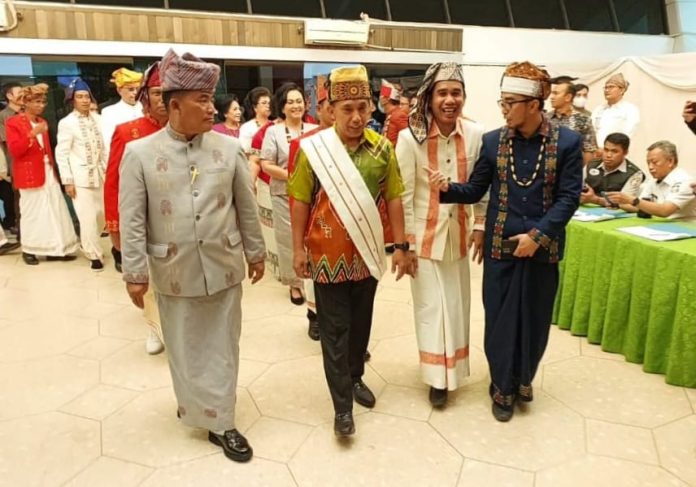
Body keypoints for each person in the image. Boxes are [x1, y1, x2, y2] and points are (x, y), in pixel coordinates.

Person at [119, 48, 265, 463]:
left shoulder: (228, 148)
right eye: (202, 100)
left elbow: (245, 206)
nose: (211, 107)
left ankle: (223, 420)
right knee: (185, 347)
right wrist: (134, 272)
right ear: (174, 105)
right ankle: (196, 407)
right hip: (173, 268)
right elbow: (132, 220)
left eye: (211, 98)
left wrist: (256, 253)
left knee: (222, 345)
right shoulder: (140, 154)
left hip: (224, 263)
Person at [427, 61, 583, 422]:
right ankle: (501, 388)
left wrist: (538, 236)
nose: (503, 109)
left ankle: (522, 380)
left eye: (510, 102)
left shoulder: (567, 143)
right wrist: (447, 188)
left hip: (542, 249)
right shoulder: (494, 140)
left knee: (534, 319)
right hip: (500, 246)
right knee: (499, 320)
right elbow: (476, 189)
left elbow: (568, 198)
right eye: (502, 101)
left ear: (533, 105)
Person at [289, 65, 412, 437]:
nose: (357, 117)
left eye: (363, 107)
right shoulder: (314, 150)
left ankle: (355, 377)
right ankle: (342, 406)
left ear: (371, 106)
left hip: (368, 253)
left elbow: (393, 198)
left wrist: (402, 246)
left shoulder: (383, 148)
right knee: (334, 330)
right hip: (326, 255)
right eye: (347, 109)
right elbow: (298, 201)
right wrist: (297, 250)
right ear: (331, 109)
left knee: (361, 326)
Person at [396, 62, 486, 407]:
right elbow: (402, 193)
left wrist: (479, 225)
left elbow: (483, 187)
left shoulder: (476, 134)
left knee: (458, 304)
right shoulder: (410, 138)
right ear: (429, 98)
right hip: (424, 238)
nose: (450, 100)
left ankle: (454, 371)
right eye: (442, 93)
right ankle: (436, 378)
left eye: (456, 92)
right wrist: (404, 245)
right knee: (432, 308)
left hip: (460, 236)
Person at [103, 62, 168, 355]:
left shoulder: (191, 131)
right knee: (151, 280)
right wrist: (116, 228)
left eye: (169, 92)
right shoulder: (127, 132)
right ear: (145, 98)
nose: (163, 99)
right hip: (144, 221)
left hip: (179, 222)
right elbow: (114, 183)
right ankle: (155, 328)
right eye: (156, 93)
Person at [5, 84, 79, 264]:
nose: (41, 106)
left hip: (48, 172)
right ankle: (29, 249)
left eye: (43, 102)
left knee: (54, 210)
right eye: (37, 102)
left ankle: (55, 248)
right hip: (28, 174)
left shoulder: (42, 122)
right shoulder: (13, 122)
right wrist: (31, 134)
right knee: (32, 213)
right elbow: (15, 151)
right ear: (26, 102)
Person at [261, 83, 317, 306]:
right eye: (290, 102)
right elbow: (266, 164)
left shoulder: (314, 130)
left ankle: (312, 279)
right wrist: (292, 176)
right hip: (283, 193)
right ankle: (294, 284)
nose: (296, 106)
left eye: (299, 101)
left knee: (310, 238)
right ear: (282, 107)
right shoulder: (273, 132)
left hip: (310, 195)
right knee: (287, 239)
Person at [287, 74, 333, 341]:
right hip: (317, 221)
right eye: (331, 108)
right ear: (321, 109)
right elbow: (298, 195)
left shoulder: (362, 143)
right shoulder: (303, 144)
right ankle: (314, 317)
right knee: (315, 275)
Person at [55, 77, 107, 271]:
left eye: (87, 96)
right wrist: (67, 181)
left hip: (102, 175)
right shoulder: (66, 123)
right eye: (80, 97)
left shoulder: (100, 120)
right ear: (73, 100)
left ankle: (88, 244)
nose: (84, 100)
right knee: (87, 218)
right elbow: (62, 153)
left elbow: (106, 147)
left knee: (102, 216)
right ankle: (94, 255)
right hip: (80, 179)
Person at [607, 140, 696, 219]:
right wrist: (618, 203)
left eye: (654, 162)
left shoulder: (685, 181)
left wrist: (631, 200)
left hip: (682, 228)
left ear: (670, 161)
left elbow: (665, 211)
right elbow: (640, 206)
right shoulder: (654, 180)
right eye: (648, 163)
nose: (650, 167)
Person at [581, 132, 644, 206]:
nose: (608, 155)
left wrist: (596, 200)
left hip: (617, 214)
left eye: (614, 151)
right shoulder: (591, 165)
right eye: (606, 150)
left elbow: (626, 203)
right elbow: (575, 187)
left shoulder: (634, 173)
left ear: (625, 152)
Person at [548, 76, 598, 165]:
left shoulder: (583, 120)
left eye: (556, 93)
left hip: (571, 171)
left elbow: (589, 150)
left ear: (568, 97)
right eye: (552, 93)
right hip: (547, 170)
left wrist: (582, 173)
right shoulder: (545, 119)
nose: (551, 97)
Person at [100, 67, 144, 160]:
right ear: (119, 90)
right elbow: (109, 144)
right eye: (131, 89)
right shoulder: (109, 112)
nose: (135, 93)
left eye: (137, 89)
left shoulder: (147, 108)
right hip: (123, 161)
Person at [591, 73, 640, 150]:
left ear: (622, 90)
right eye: (605, 87)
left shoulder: (630, 109)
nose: (607, 90)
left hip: (617, 152)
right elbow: (592, 131)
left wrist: (609, 150)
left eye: (611, 87)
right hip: (597, 153)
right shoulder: (598, 109)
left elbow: (628, 134)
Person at [0, 82, 24, 236]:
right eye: (19, 92)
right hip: (15, 163)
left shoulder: (27, 113)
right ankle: (23, 232)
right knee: (19, 200)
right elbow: (6, 142)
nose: (23, 95)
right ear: (9, 96)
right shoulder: (3, 116)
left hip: (34, 163)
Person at [239, 86, 272, 155]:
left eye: (269, 103)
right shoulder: (247, 127)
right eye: (264, 103)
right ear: (254, 107)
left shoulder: (275, 124)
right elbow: (245, 152)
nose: (268, 106)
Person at [380, 79, 408, 147]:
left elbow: (407, 139)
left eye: (381, 95)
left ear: (386, 99)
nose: (380, 98)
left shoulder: (399, 115)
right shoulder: (390, 114)